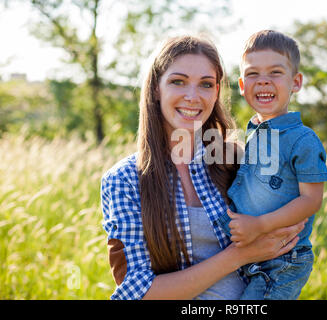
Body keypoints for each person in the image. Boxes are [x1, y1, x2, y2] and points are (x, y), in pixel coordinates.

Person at [100, 35, 307, 300]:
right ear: (156, 88)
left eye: (206, 84)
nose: (193, 96)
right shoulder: (125, 180)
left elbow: (288, 234)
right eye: (178, 81)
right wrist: (241, 254)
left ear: (217, 92)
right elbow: (138, 292)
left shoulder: (236, 160)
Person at [216, 30, 327, 300]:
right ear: (242, 86)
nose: (263, 81)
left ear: (296, 82)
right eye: (253, 74)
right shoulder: (255, 132)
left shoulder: (303, 139)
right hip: (253, 255)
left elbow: (311, 200)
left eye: (275, 73)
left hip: (283, 260)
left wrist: (259, 225)